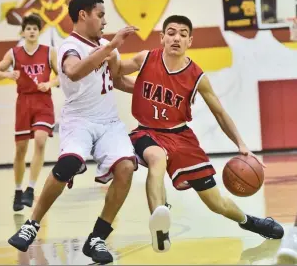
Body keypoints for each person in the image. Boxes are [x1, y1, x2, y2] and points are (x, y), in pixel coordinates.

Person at [109, 15, 284, 253]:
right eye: (171, 32)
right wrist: (110, 52)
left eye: (182, 34)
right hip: (147, 131)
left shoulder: (197, 77)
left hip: (181, 138)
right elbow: (115, 75)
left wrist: (241, 144)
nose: (176, 38)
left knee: (216, 203)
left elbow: (220, 114)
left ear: (190, 41)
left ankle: (250, 222)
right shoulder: (145, 58)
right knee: (156, 158)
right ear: (162, 38)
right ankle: (160, 224)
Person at [7, 0, 138, 264]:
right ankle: (31, 225)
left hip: (109, 122)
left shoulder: (107, 46)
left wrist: (153, 92)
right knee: (68, 164)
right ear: (83, 15)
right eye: (100, 15)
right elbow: (74, 71)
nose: (104, 21)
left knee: (126, 168)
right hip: (79, 120)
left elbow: (118, 79)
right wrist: (109, 46)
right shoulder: (70, 46)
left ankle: (98, 238)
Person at [0, 14, 59, 211]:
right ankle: (18, 190)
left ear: (39, 32)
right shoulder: (14, 53)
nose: (31, 31)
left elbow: (61, 76)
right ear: (22, 32)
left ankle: (31, 189)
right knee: (21, 150)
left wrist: (50, 83)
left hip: (43, 102)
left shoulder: (49, 52)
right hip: (23, 102)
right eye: (28, 28)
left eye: (35, 28)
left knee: (40, 140)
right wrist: (7, 74)